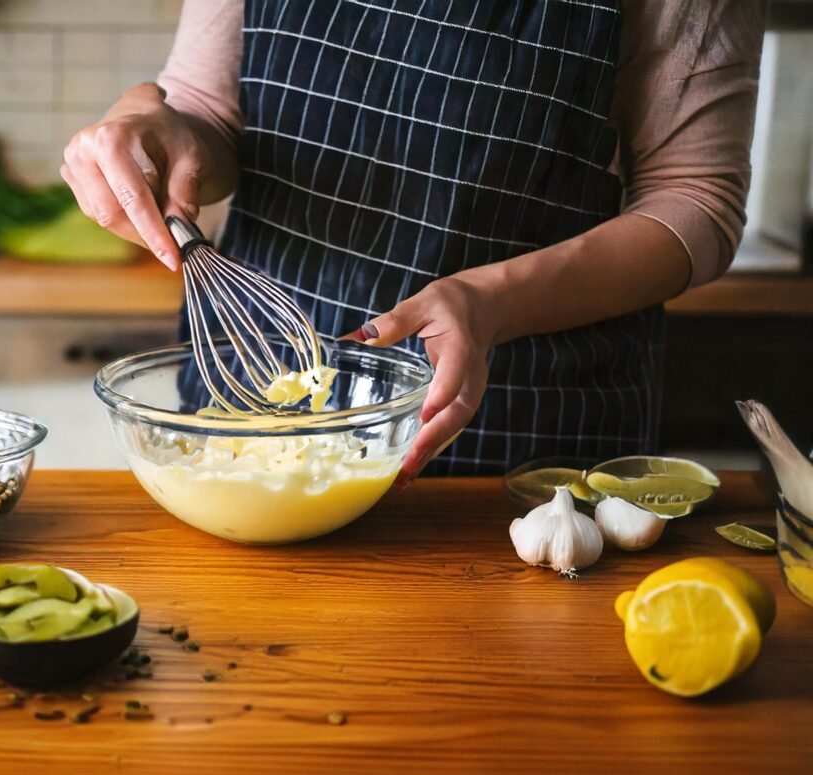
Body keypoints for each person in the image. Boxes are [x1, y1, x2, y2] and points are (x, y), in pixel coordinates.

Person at [61, 0, 765, 487]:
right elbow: (208, 110)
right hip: (253, 401)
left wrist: (492, 302)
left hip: (528, 439)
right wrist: (150, 125)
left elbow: (696, 200)